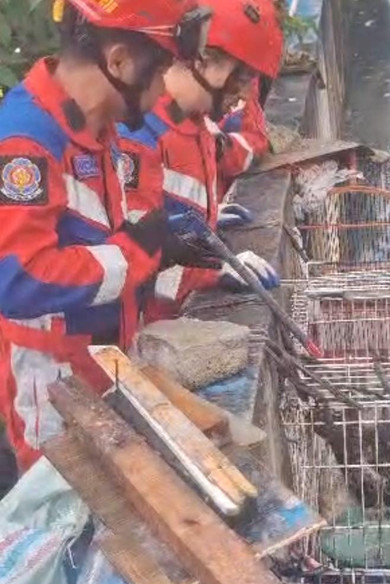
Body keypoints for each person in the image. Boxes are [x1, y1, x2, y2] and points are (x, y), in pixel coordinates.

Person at [0, 0, 211, 473]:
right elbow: (16, 281)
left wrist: (169, 242)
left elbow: (97, 233)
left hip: (104, 365)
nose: (162, 93)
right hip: (52, 391)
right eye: (158, 72)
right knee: (67, 526)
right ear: (117, 61)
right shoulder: (25, 143)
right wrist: (135, 254)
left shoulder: (99, 128)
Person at [118, 0, 284, 316]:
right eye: (241, 78)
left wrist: (200, 217)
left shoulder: (196, 121)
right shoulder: (139, 136)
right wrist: (216, 273)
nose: (247, 95)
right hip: (151, 335)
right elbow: (130, 270)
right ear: (204, 59)